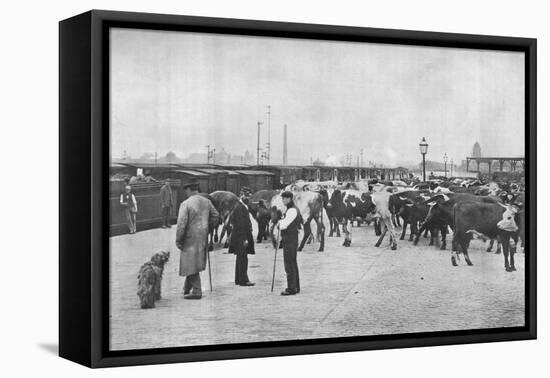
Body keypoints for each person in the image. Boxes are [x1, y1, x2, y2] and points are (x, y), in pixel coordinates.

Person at [176, 181, 220, 300]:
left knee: (191, 263)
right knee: (193, 262)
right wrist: (208, 227)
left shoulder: (186, 204)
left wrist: (178, 239)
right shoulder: (206, 202)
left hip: (189, 238)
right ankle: (186, 288)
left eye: (186, 190)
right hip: (203, 237)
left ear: (189, 189)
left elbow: (181, 224)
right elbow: (216, 216)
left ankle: (197, 290)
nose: (185, 193)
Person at [277, 191, 302, 296]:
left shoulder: (292, 210)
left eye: (286, 198)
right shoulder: (290, 209)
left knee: (289, 263)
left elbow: (284, 225)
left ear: (291, 199)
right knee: (292, 262)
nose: (284, 200)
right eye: (283, 198)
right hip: (291, 238)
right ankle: (295, 286)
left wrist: (279, 222)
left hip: (290, 239)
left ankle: (291, 288)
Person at [228, 199, 255, 286]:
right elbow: (240, 224)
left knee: (240, 257)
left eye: (249, 195)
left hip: (238, 236)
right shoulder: (240, 207)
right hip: (241, 236)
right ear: (241, 195)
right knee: (243, 258)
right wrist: (244, 238)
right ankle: (244, 280)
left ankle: (238, 279)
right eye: (246, 195)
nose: (247, 197)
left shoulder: (239, 206)